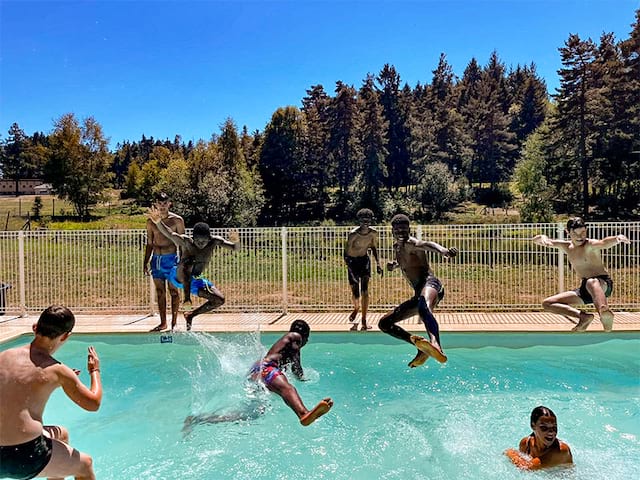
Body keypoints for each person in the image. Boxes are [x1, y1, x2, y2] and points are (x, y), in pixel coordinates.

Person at [0, 305, 103, 480]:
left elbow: (23, 382)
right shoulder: (58, 371)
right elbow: (93, 404)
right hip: (24, 455)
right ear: (65, 336)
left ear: (35, 327)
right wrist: (95, 371)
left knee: (60, 433)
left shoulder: (3, 356)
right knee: (86, 465)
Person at [182, 320, 333, 430]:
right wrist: (302, 378)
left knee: (250, 414)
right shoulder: (295, 336)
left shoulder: (283, 344)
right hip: (267, 369)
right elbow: (296, 365)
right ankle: (303, 413)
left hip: (255, 373)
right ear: (305, 336)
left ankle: (199, 419)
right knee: (288, 389)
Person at [378, 214, 457, 367]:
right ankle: (420, 346)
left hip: (432, 285)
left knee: (423, 306)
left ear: (409, 229)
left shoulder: (413, 243)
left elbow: (428, 244)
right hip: (419, 292)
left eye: (404, 229)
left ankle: (436, 345)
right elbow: (405, 263)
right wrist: (393, 266)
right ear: (392, 231)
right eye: (397, 229)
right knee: (385, 323)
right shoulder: (397, 247)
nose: (401, 232)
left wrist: (444, 251)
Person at [147, 206, 239, 331]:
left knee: (219, 300)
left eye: (204, 241)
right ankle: (187, 299)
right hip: (178, 276)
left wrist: (236, 241)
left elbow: (235, 248)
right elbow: (169, 234)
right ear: (193, 238)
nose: (201, 244)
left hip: (195, 279)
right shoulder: (187, 242)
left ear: (209, 238)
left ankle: (191, 315)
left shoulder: (215, 241)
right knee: (188, 263)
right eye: (198, 241)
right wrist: (158, 222)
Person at [533, 217, 630, 332]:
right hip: (585, 288)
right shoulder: (566, 246)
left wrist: (617, 239)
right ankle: (583, 317)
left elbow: (604, 243)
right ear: (567, 232)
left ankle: (604, 313)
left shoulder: (590, 245)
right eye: (575, 233)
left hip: (602, 284)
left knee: (592, 282)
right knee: (548, 303)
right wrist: (541, 237)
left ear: (586, 230)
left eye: (583, 233)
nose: (580, 237)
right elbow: (540, 241)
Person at [143, 192, 185, 332]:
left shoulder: (177, 220)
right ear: (155, 204)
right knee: (160, 292)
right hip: (156, 260)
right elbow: (149, 243)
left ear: (169, 204)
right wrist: (145, 262)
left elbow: (182, 242)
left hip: (171, 259)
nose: (162, 207)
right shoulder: (150, 222)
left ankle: (174, 323)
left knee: (173, 291)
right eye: (159, 204)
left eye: (164, 203)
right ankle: (163, 323)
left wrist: (184, 262)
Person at [344, 208, 383, 331]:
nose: (365, 222)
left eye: (368, 220)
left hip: (364, 261)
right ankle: (356, 308)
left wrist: (378, 264)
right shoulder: (353, 234)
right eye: (363, 220)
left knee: (365, 290)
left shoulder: (373, 233)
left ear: (371, 220)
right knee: (356, 293)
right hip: (352, 262)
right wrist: (349, 267)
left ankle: (364, 320)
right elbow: (346, 253)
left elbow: (373, 247)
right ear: (359, 220)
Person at [504, 406, 573, 470]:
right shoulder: (526, 443)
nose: (551, 432)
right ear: (533, 426)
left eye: (554, 427)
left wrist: (510, 453)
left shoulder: (561, 451)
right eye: (544, 428)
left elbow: (527, 468)